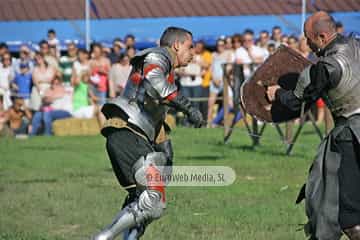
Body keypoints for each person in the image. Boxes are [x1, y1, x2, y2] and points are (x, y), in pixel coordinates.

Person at [92, 26, 204, 240]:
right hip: (127, 134)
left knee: (147, 202)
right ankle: (102, 238)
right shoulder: (157, 56)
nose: (193, 53)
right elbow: (156, 84)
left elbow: (157, 123)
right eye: (190, 47)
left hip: (133, 136)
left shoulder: (167, 72)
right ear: (177, 45)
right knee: (152, 201)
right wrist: (189, 108)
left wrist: (166, 157)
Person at [267, 11, 360, 240]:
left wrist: (276, 93)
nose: (307, 46)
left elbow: (297, 100)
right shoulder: (356, 45)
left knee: (341, 210)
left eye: (309, 40)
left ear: (321, 36)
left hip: (350, 136)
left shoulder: (326, 67)